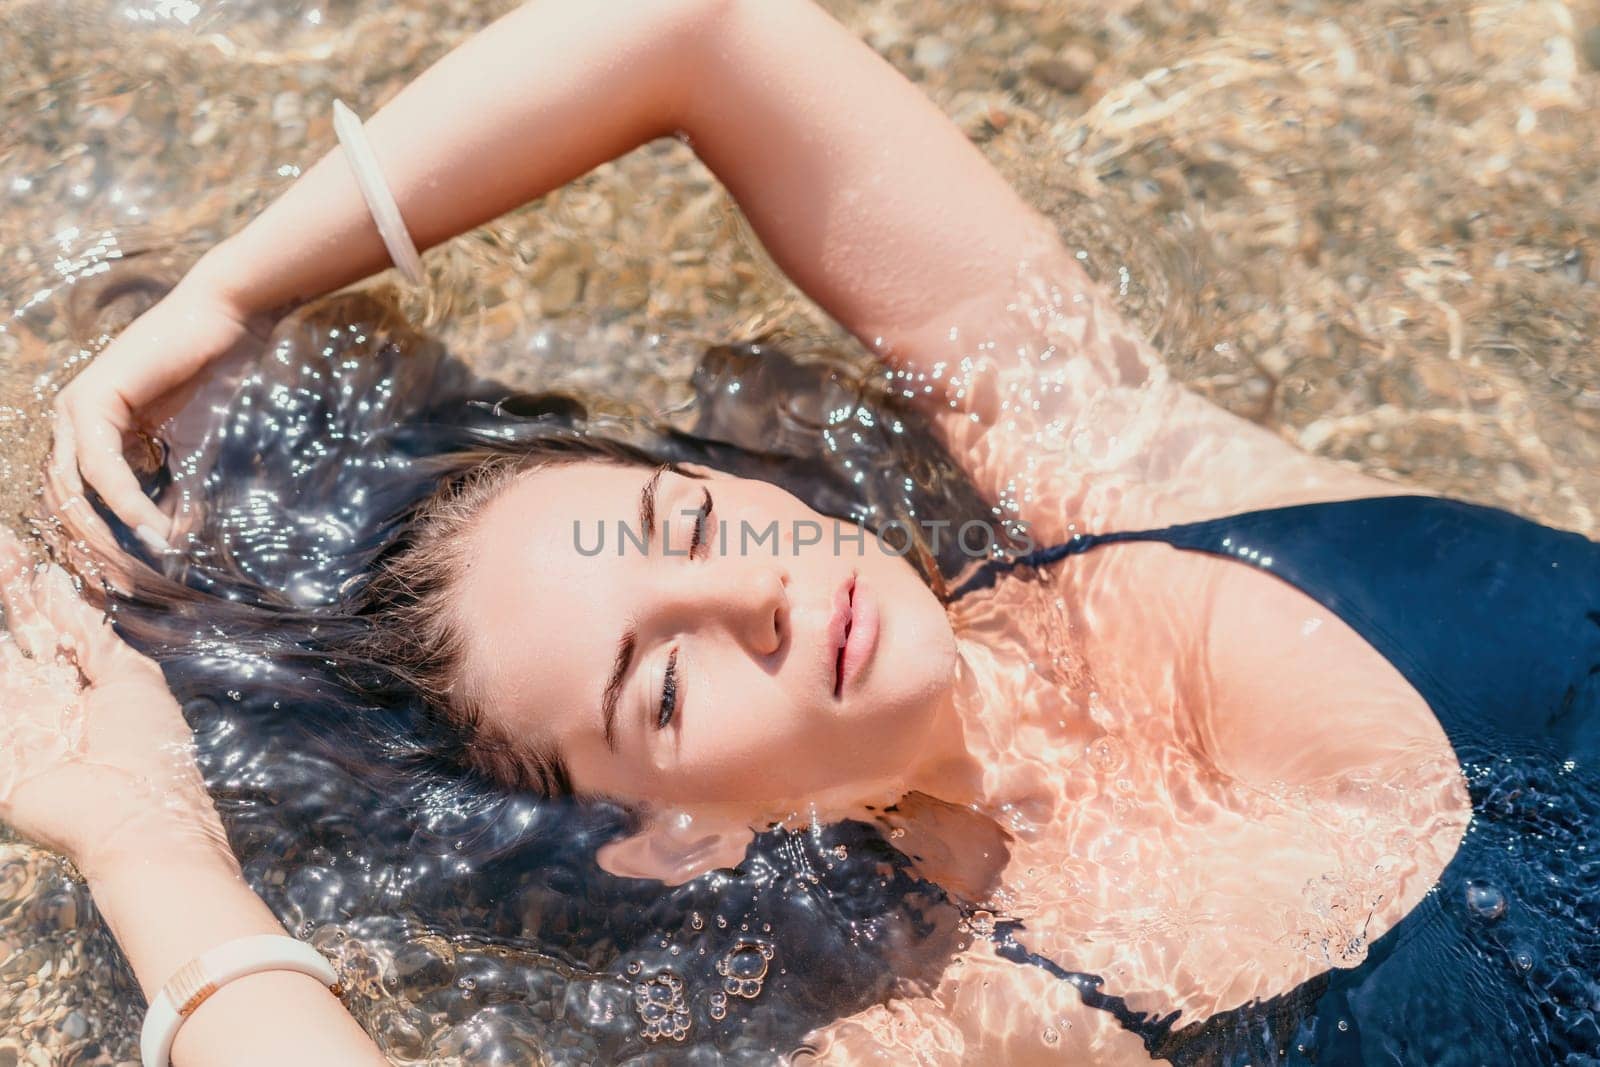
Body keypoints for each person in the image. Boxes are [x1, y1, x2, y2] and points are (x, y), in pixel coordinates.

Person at [10, 0, 1599, 1064]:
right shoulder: (988, 1028)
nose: (750, 598)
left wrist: (225, 291)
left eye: (689, 523)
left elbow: (701, 33)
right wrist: (147, 840)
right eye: (667, 686)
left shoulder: (1120, 467)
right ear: (674, 834)